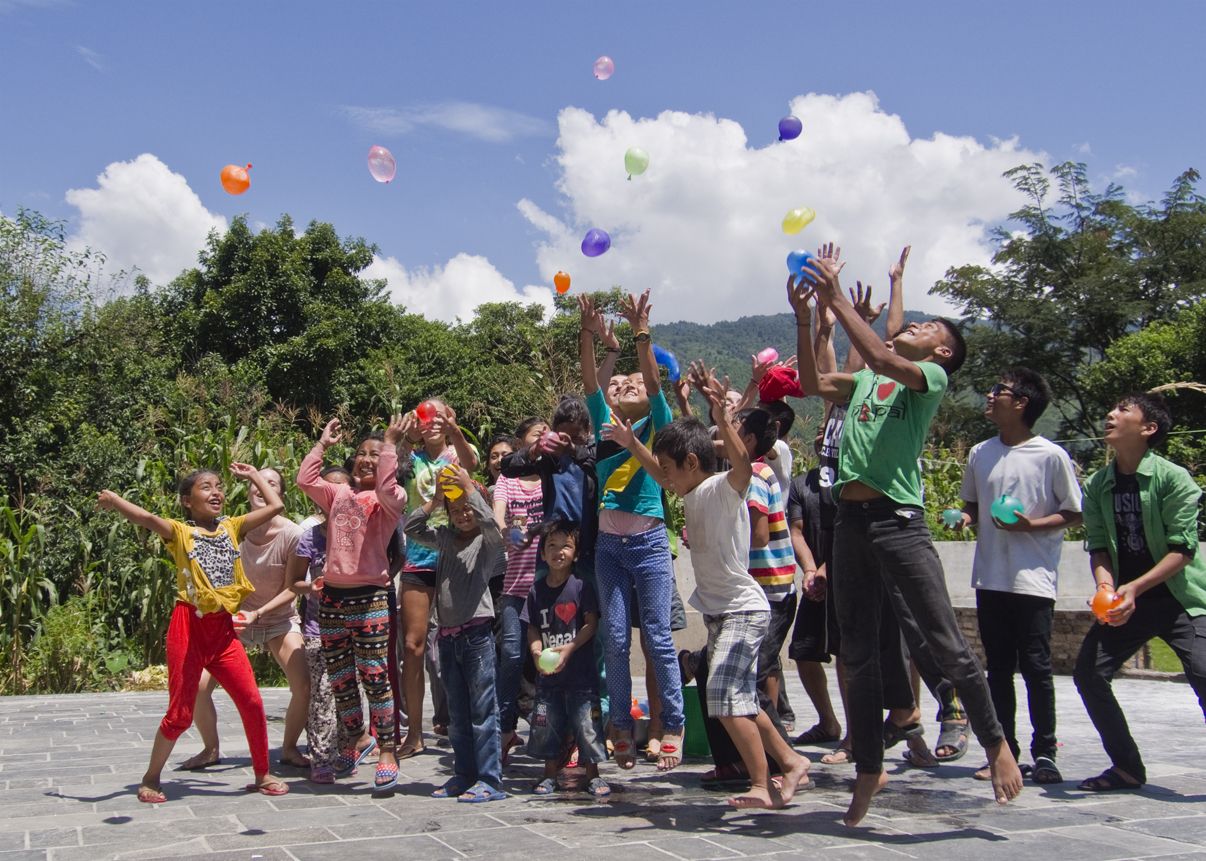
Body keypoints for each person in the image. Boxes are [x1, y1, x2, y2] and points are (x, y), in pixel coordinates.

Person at [791, 253, 1022, 826]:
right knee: (860, 652)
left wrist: (837, 296)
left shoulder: (929, 379)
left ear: (942, 351)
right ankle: (869, 766)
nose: (913, 326)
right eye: (913, 322)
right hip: (849, 525)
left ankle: (996, 743)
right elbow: (813, 382)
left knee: (944, 639)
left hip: (899, 522)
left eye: (926, 328)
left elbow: (877, 349)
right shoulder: (869, 379)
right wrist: (804, 320)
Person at [605, 370, 811, 809]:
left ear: (692, 464)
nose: (664, 478)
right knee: (744, 701)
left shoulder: (722, 487)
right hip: (721, 612)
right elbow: (658, 475)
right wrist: (632, 445)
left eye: (669, 468)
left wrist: (720, 413)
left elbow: (740, 464)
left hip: (743, 610)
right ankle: (791, 763)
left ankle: (760, 784)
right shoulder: (690, 491)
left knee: (724, 697)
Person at [96, 464, 289, 803]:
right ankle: (151, 778)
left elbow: (276, 507)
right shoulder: (180, 532)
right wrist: (114, 500)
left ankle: (262, 773)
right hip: (188, 628)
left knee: (252, 702)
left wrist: (254, 477)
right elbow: (145, 518)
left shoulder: (233, 527)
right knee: (180, 714)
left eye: (219, 486)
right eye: (205, 487)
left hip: (223, 632)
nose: (216, 492)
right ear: (187, 501)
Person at [1073, 392, 1206, 791]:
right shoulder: (1098, 483)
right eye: (1111, 408)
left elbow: (1183, 549)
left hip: (1180, 598)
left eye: (1122, 410)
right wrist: (1106, 586)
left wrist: (1133, 587)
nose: (1110, 414)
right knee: (1088, 674)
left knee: (1203, 672)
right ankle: (1127, 767)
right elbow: (1097, 544)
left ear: (1148, 429)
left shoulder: (1173, 478)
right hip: (1127, 600)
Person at [957, 368, 1083, 784]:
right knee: (997, 669)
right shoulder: (980, 452)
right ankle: (1002, 751)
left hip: (1033, 579)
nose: (990, 397)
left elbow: (1074, 511)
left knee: (1037, 668)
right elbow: (972, 506)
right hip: (990, 577)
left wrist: (1032, 525)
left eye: (999, 391)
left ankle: (1045, 753)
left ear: (1021, 403)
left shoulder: (1050, 455)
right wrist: (962, 516)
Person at [578, 291, 684, 771]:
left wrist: (643, 336)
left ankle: (675, 725)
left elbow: (657, 385)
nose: (621, 385)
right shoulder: (603, 423)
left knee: (658, 636)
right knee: (616, 637)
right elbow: (588, 378)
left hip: (648, 544)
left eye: (630, 382)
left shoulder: (657, 422)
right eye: (616, 382)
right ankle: (621, 723)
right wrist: (588, 334)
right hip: (608, 548)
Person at [297, 417, 407, 790]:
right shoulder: (338, 495)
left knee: (375, 677)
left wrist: (390, 444)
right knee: (342, 680)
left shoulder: (390, 500)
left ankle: (388, 749)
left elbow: (390, 486)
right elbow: (305, 481)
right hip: (332, 598)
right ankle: (359, 737)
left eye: (374, 455)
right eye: (361, 453)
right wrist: (322, 444)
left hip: (371, 597)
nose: (365, 459)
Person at [179, 467, 309, 774]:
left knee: (303, 684)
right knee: (197, 686)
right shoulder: (233, 529)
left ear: (278, 492)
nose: (260, 489)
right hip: (236, 620)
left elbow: (293, 587)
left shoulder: (292, 534)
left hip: (276, 618)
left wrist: (259, 613)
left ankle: (289, 748)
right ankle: (210, 749)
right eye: (254, 485)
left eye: (269, 483)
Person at [405, 465, 508, 802]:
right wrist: (435, 501)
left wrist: (470, 488)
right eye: (457, 508)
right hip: (448, 637)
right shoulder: (445, 540)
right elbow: (411, 527)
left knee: (482, 710)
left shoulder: (487, 542)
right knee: (459, 716)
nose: (464, 514)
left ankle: (490, 779)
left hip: (477, 635)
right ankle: (463, 774)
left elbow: (493, 524)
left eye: (468, 507)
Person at [396, 399, 480, 758]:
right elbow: (393, 470)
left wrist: (454, 430)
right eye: (424, 417)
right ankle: (414, 732)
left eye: (438, 416)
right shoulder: (412, 459)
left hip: (455, 555)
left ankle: (465, 727)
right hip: (417, 556)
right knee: (413, 648)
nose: (430, 422)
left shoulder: (459, 450)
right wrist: (403, 438)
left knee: (460, 643)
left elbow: (473, 463)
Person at [524, 521, 610, 798]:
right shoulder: (536, 591)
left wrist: (570, 649)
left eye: (566, 546)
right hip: (548, 680)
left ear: (575, 553)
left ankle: (593, 774)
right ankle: (549, 775)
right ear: (542, 554)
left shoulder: (582, 587)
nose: (558, 551)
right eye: (552, 545)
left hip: (581, 677)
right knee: (548, 725)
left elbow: (590, 623)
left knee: (588, 725)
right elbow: (533, 627)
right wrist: (537, 652)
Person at [286, 465, 351, 784]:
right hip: (318, 628)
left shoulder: (362, 531)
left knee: (350, 693)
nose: (336, 495)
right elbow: (294, 581)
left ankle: (346, 748)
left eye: (343, 489)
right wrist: (310, 587)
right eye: (329, 489)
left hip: (356, 627)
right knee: (323, 693)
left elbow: (391, 558)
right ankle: (322, 758)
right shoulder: (310, 536)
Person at [493, 417, 549, 763]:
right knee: (511, 656)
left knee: (546, 662)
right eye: (535, 433)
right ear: (521, 443)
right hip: (514, 586)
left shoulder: (552, 476)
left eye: (547, 432)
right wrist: (505, 530)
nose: (543, 437)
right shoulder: (507, 480)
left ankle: (547, 733)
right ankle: (504, 728)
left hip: (548, 586)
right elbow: (499, 515)